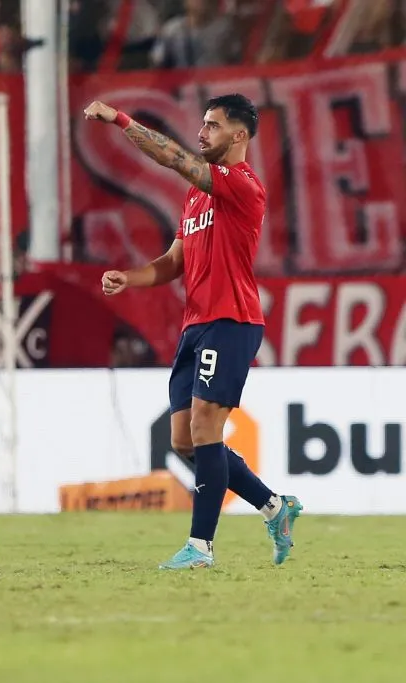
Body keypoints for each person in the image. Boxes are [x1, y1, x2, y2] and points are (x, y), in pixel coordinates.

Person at [84, 94, 303, 570]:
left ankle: (200, 548)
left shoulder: (243, 186)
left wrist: (120, 120)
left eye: (212, 125)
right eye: (202, 124)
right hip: (195, 326)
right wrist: (131, 277)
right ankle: (274, 507)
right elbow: (171, 264)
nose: (202, 133)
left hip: (232, 320)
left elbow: (172, 157)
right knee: (185, 440)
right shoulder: (196, 197)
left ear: (239, 135)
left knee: (206, 425)